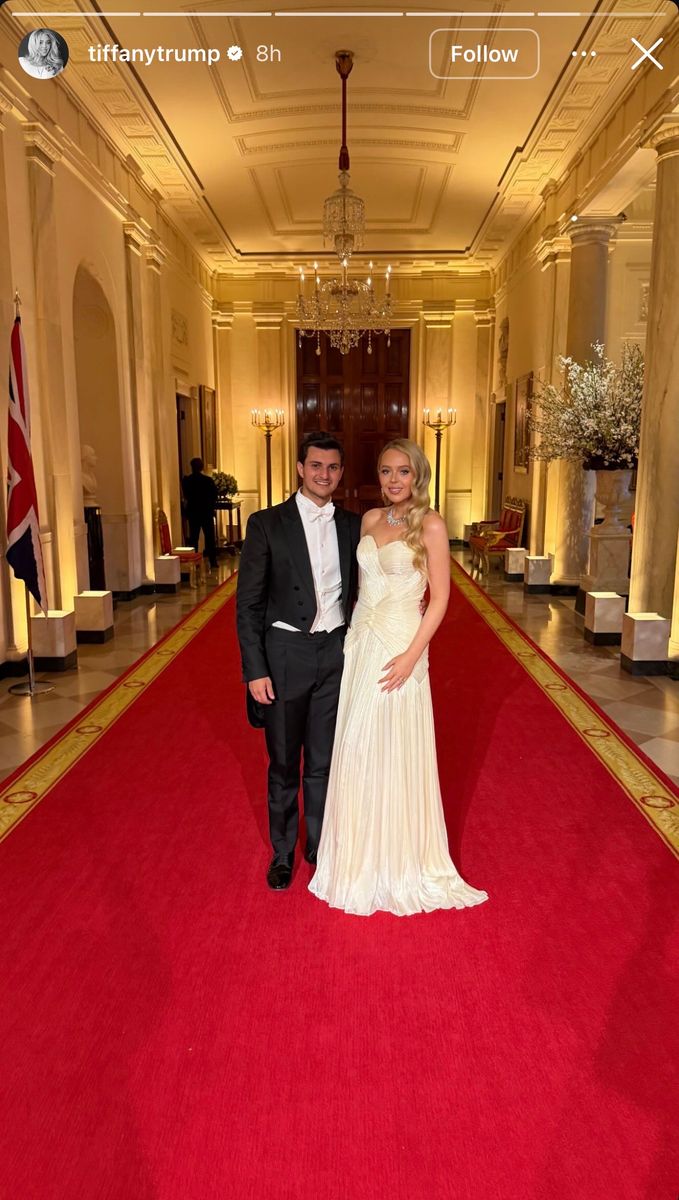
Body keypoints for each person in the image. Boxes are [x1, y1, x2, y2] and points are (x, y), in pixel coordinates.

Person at [309, 438, 488, 917]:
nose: (393, 480)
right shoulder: (369, 519)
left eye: (403, 472)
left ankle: (395, 859)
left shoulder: (430, 524)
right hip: (361, 642)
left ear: (418, 476)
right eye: (386, 471)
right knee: (355, 744)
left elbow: (441, 598)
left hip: (400, 644)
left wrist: (412, 655)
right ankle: (354, 855)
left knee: (390, 743)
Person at [236, 432, 361, 890]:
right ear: (299, 468)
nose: (324, 474)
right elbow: (248, 604)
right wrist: (255, 671)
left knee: (324, 761)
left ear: (341, 472)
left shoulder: (352, 525)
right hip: (285, 655)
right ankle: (284, 851)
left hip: (335, 653)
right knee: (285, 762)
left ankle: (320, 846)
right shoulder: (266, 523)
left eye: (332, 467)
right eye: (315, 466)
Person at [181, 457, 218, 569]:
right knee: (210, 538)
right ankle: (213, 561)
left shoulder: (187, 481)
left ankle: (194, 562)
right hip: (206, 512)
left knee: (193, 538)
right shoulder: (208, 480)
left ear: (192, 467)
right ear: (202, 467)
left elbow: (186, 495)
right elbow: (214, 496)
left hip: (193, 513)